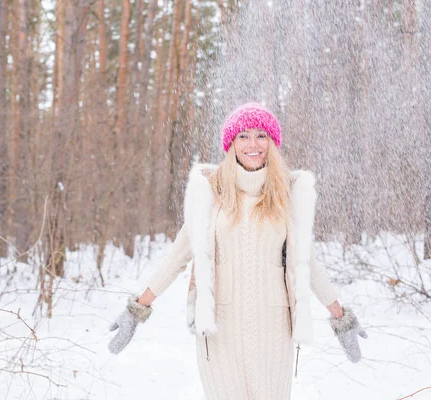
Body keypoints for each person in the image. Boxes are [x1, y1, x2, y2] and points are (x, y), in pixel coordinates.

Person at [108, 102, 367, 400]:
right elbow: (177, 257)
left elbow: (306, 262)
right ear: (231, 144)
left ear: (272, 143)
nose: (252, 144)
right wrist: (137, 309)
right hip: (219, 330)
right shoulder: (209, 192)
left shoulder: (287, 195)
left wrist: (341, 317)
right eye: (243, 136)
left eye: (261, 135)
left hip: (273, 330)